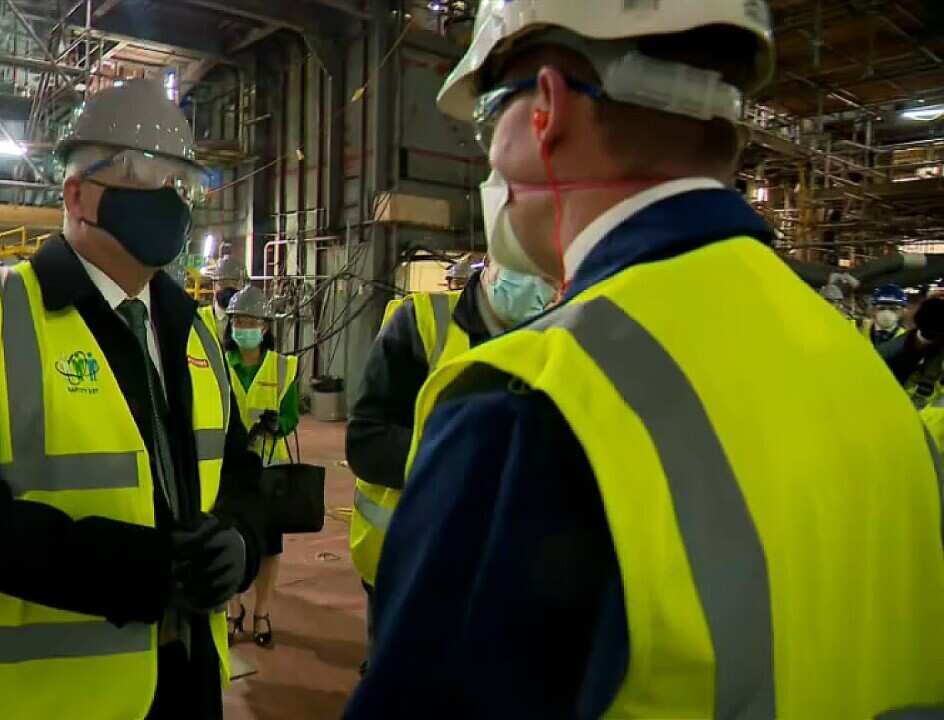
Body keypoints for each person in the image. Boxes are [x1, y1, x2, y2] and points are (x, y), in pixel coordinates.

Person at [347, 2, 944, 717]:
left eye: (487, 124)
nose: (490, 162)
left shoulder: (534, 405)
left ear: (546, 108)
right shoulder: (866, 377)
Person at [0, 78, 265, 720]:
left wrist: (241, 542)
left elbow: (237, 472)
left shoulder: (194, 327)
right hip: (45, 700)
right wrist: (134, 569)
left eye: (184, 184)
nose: (173, 200)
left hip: (188, 680)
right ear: (77, 194)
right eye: (147, 175)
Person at [346, 255, 552, 671]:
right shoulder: (420, 324)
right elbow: (366, 442)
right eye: (533, 271)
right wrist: (458, 460)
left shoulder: (550, 339)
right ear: (494, 262)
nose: (541, 288)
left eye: (550, 278)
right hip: (406, 558)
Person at [220, 285, 298, 650]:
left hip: (269, 469)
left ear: (265, 327)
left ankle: (261, 613)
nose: (244, 327)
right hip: (230, 469)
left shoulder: (283, 367)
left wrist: (278, 424)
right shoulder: (218, 362)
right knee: (229, 539)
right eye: (238, 321)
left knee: (269, 546)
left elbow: (291, 414)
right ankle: (232, 609)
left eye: (251, 321)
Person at [199, 254, 246, 342]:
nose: (228, 288)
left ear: (242, 287)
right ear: (214, 286)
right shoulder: (198, 320)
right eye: (223, 283)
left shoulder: (251, 324)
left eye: (234, 284)